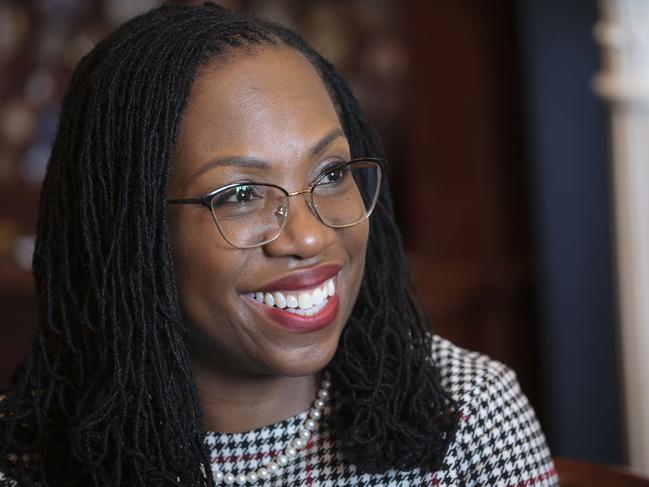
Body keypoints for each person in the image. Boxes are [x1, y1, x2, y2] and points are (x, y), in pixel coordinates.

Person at [0, 3, 558, 486]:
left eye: (332, 172)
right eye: (241, 193)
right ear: (129, 231)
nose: (311, 236)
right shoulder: (24, 460)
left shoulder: (465, 416)